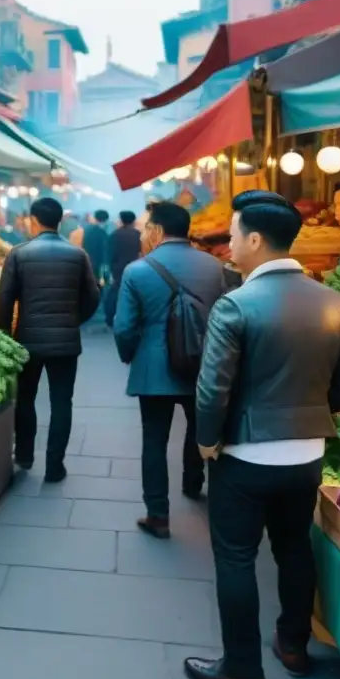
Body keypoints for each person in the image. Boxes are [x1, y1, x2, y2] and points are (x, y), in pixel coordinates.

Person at [184, 191, 340, 679]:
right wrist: (307, 415)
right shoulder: (333, 300)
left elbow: (212, 389)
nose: (230, 244)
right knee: (294, 548)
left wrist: (207, 441)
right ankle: (294, 645)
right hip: (306, 455)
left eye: (234, 234)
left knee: (236, 558)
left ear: (255, 240)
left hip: (245, 454)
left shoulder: (236, 304)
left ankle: (241, 669)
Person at [113, 202, 225, 538]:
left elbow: (124, 327)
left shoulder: (138, 270)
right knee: (198, 428)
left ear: (157, 230)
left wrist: (129, 354)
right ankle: (194, 482)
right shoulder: (214, 267)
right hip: (202, 364)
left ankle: (158, 515)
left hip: (154, 369)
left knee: (154, 440)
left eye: (148, 227)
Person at [0, 197, 101, 482]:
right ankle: (56, 466)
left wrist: (4, 338)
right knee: (61, 401)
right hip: (66, 342)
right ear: (59, 222)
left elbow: (4, 301)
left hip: (28, 339)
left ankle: (25, 455)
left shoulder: (18, 254)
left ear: (33, 221)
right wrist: (72, 320)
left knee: (26, 398)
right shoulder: (78, 255)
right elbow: (93, 297)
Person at [104, 210, 142, 326]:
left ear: (121, 220)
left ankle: (111, 318)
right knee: (135, 294)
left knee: (115, 293)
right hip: (136, 268)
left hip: (118, 269)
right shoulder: (139, 235)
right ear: (134, 221)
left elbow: (110, 254)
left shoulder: (114, 235)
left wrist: (110, 268)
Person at [81, 210, 109, 282]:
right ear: (106, 219)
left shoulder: (87, 230)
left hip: (87, 259)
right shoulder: (103, 232)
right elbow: (105, 249)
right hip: (98, 262)